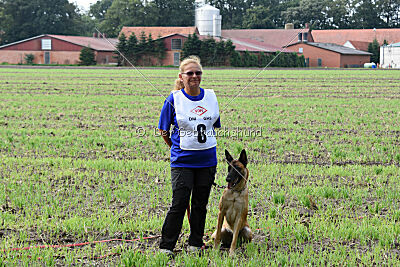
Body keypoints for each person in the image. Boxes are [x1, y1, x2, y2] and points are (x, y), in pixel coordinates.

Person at [158, 56, 221, 256]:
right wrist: (175, 147)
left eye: (198, 73)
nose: (194, 76)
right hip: (182, 162)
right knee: (179, 203)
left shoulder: (211, 96)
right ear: (181, 77)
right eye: (190, 73)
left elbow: (214, 126)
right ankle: (166, 246)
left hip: (207, 160)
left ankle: (195, 243)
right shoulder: (173, 99)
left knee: (200, 204)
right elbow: (163, 130)